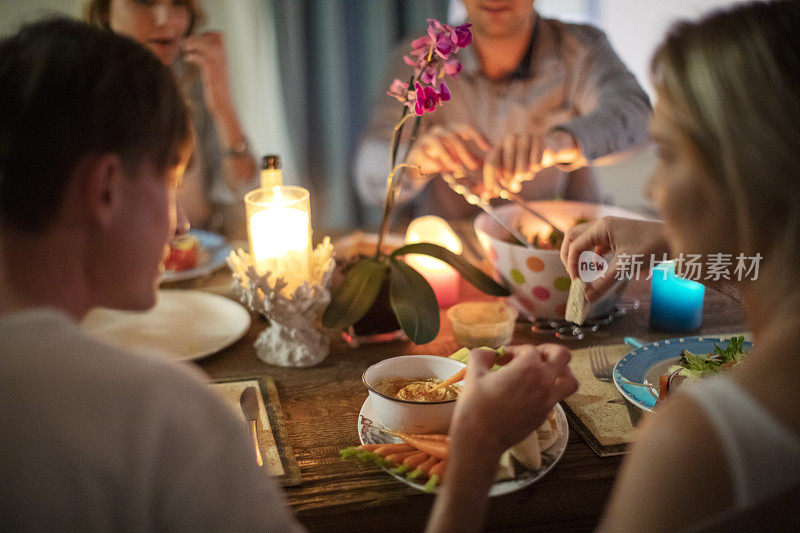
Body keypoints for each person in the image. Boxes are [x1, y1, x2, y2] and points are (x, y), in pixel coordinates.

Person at [0, 20, 577, 531]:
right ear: (104, 189)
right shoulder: (159, 418)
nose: (177, 223)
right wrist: (474, 449)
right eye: (172, 183)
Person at [560, 2, 800, 530]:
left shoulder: (692, 444)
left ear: (747, 169)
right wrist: (676, 243)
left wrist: (470, 461)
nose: (650, 191)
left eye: (666, 155)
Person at [355, 0, 651, 221]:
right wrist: (418, 157)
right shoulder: (424, 57)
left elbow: (639, 118)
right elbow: (368, 176)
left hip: (561, 254)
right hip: (452, 251)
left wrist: (558, 142)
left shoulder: (581, 49)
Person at [85, 0, 257, 239]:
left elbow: (248, 206)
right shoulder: (81, 92)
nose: (165, 18)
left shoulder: (191, 77)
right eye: (144, 1)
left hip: (199, 258)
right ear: (105, 9)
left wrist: (224, 109)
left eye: (178, 2)